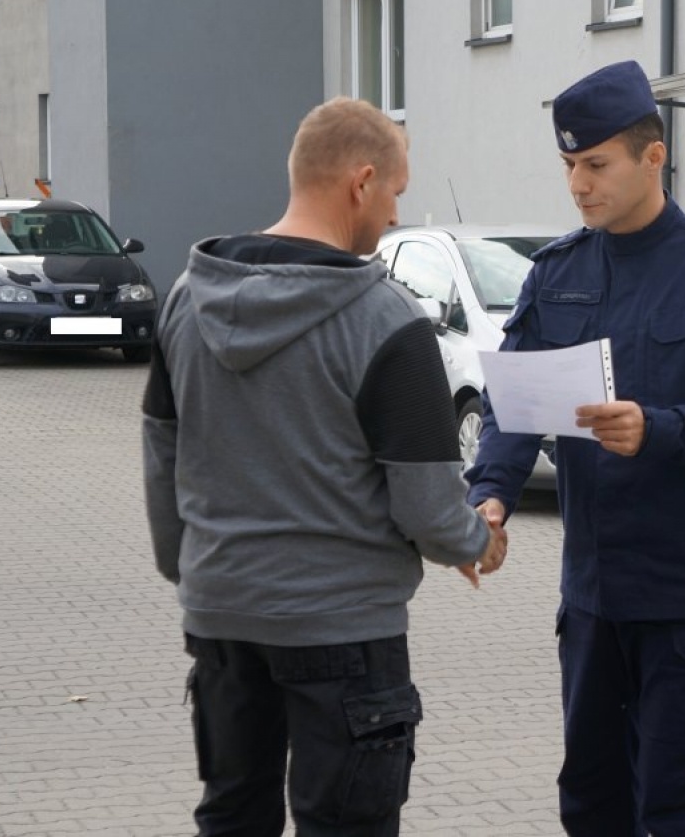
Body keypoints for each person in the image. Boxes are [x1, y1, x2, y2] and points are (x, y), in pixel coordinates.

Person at [142, 96, 506, 837]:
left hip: (222, 619)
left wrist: (197, 567)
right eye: (397, 193)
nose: (396, 214)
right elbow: (428, 509)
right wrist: (479, 540)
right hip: (344, 636)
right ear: (361, 182)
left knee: (231, 818)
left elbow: (161, 455)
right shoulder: (388, 321)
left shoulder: (185, 299)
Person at [465, 60, 685, 837]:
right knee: (591, 798)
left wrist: (661, 428)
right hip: (593, 597)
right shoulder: (556, 272)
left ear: (654, 157)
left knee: (678, 805)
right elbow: (512, 402)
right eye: (568, 166)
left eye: (595, 164)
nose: (577, 184)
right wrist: (491, 496)